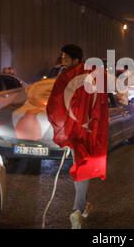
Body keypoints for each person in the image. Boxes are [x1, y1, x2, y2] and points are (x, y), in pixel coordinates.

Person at [47, 44, 109, 229]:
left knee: (83, 166)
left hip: (81, 129)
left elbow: (57, 102)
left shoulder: (70, 76)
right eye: (62, 57)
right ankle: (79, 209)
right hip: (87, 129)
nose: (63, 61)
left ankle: (78, 209)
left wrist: (65, 126)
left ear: (76, 59)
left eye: (66, 58)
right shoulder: (90, 73)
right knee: (83, 166)